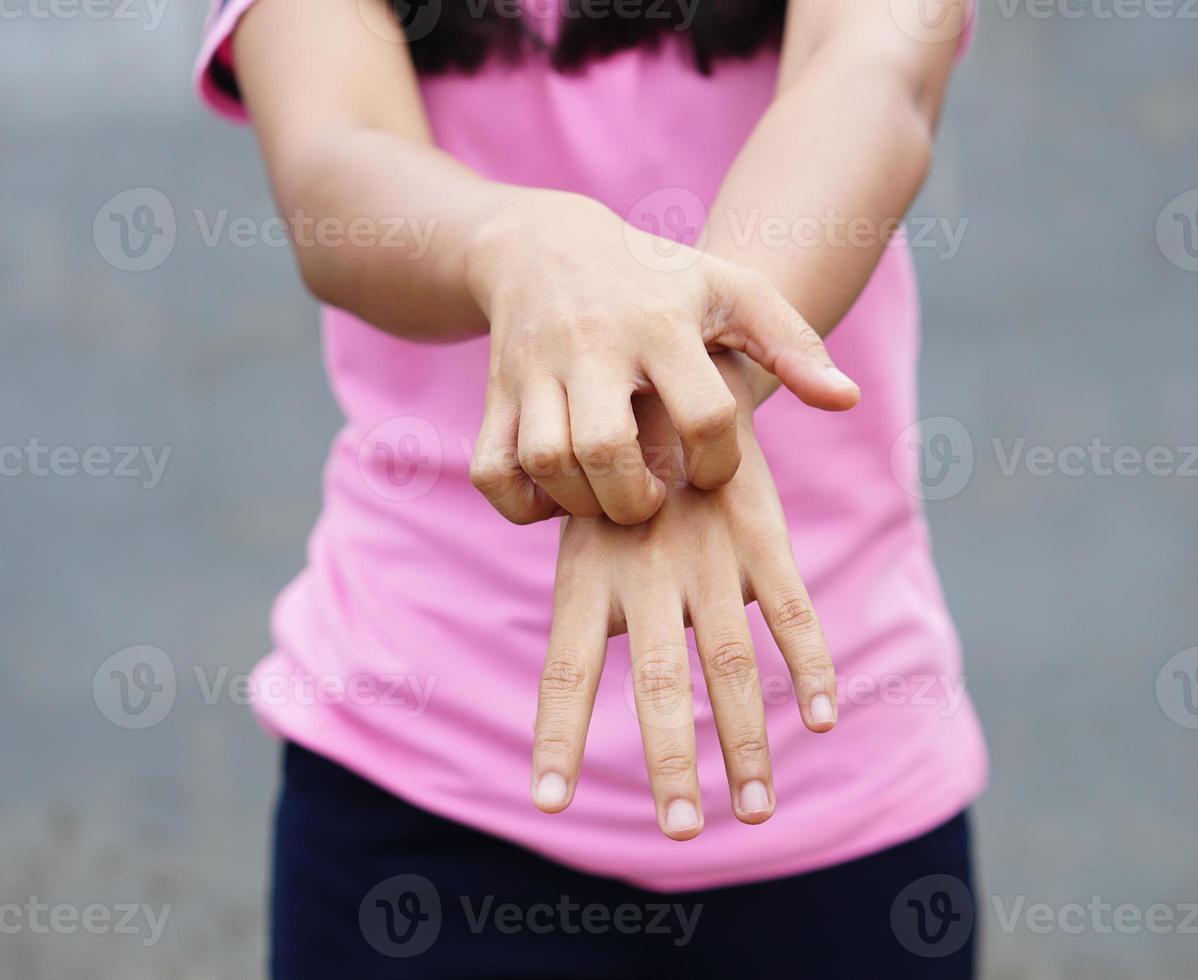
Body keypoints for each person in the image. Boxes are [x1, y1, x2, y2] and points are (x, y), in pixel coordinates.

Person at [194, 0, 987, 974]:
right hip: (424, 773)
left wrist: (688, 402)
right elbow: (333, 158)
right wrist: (523, 245)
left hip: (837, 775)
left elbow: (875, 74)